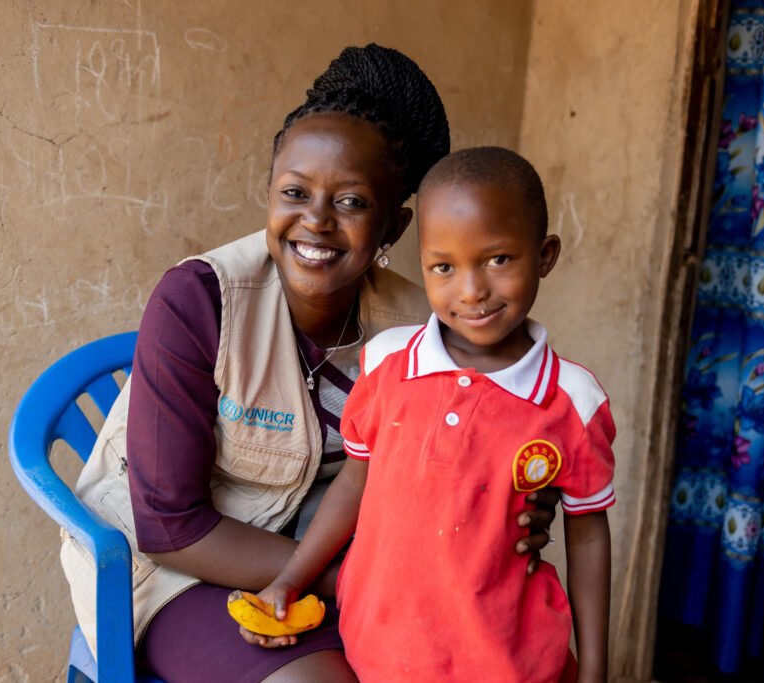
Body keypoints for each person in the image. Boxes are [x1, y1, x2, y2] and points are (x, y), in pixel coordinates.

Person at [59, 46, 561, 683]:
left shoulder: (422, 332)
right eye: (295, 192)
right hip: (175, 576)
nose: (315, 221)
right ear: (269, 192)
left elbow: (456, 473)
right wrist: (349, 580)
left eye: (351, 202)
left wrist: (507, 506)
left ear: (394, 226)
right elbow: (170, 528)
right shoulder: (199, 300)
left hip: (338, 573)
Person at [256, 147, 615, 683]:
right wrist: (290, 578)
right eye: (443, 267)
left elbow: (588, 534)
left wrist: (596, 672)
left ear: (544, 256)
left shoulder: (573, 400)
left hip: (510, 661)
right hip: (378, 649)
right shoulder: (386, 364)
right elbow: (355, 485)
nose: (471, 291)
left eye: (497, 259)